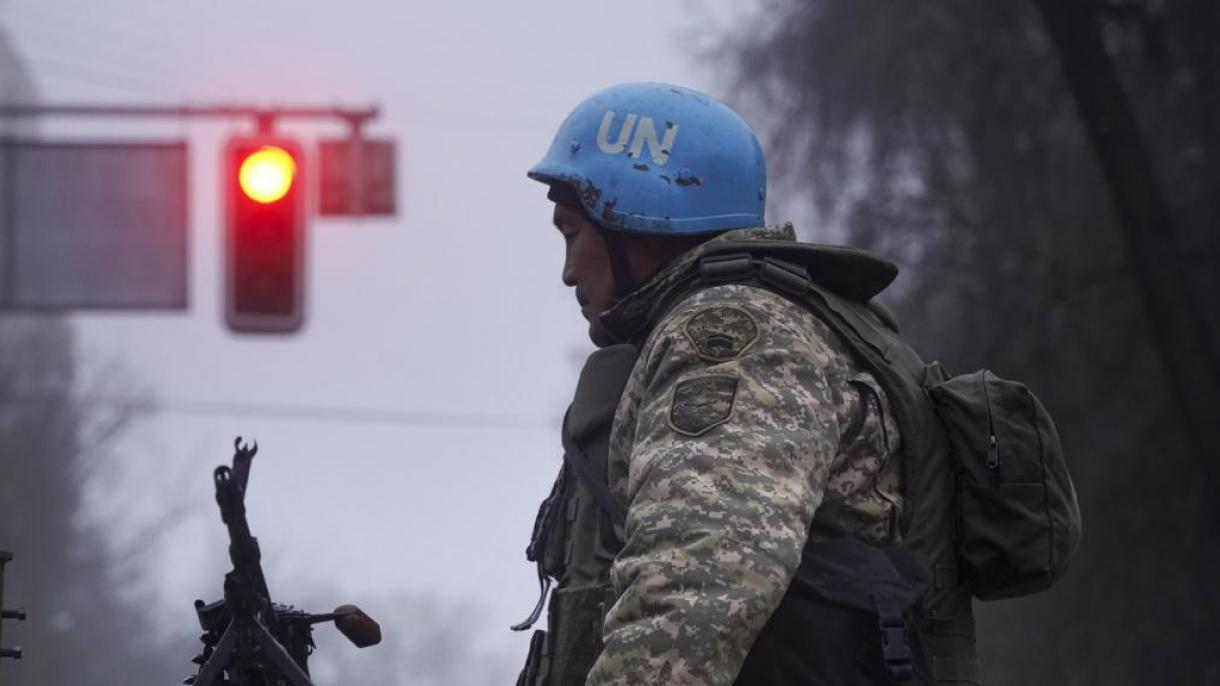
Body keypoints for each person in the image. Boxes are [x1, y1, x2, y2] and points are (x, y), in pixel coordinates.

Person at [514, 83, 981, 686]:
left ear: (637, 220)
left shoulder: (732, 340)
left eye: (572, 231)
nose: (568, 270)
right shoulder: (760, 325)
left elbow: (698, 584)